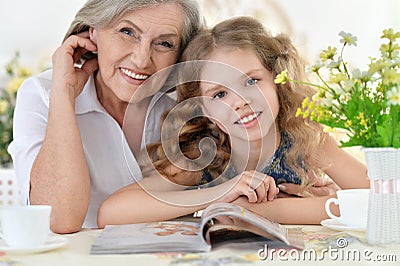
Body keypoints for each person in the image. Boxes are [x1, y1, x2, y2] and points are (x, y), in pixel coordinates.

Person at [97, 16, 369, 227]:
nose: (239, 101)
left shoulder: (306, 139)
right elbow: (111, 212)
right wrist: (218, 195)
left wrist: (257, 210)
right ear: (201, 107)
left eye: (251, 81)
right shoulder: (203, 155)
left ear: (277, 79)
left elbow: (385, 200)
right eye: (219, 94)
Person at [8, 0, 203, 233]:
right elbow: (57, 220)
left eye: (164, 43)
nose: (141, 60)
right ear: (93, 33)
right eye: (127, 32)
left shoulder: (184, 108)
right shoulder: (42, 92)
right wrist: (63, 95)